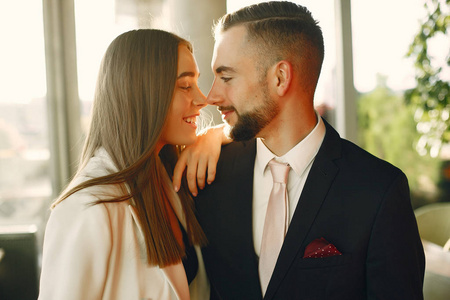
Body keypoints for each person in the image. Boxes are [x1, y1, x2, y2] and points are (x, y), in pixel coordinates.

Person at [175, 2, 425, 299]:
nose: (212, 95)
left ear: (280, 78)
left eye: (227, 77)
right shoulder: (208, 173)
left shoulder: (378, 190)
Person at [38, 29, 210, 300]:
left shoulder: (169, 179)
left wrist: (214, 136)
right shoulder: (87, 209)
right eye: (186, 86)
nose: (203, 99)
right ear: (143, 91)